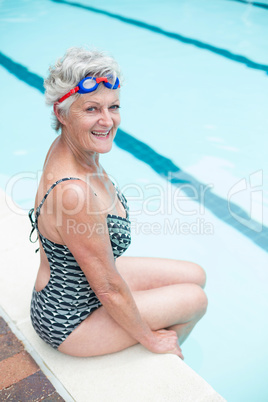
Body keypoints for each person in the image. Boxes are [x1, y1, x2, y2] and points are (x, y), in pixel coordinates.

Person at [29, 47, 208, 359]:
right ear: (61, 113)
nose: (107, 121)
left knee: (196, 274)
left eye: (113, 107)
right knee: (195, 300)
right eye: (92, 109)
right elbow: (109, 289)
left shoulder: (75, 147)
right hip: (69, 320)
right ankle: (160, 365)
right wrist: (151, 339)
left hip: (76, 285)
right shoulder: (74, 192)